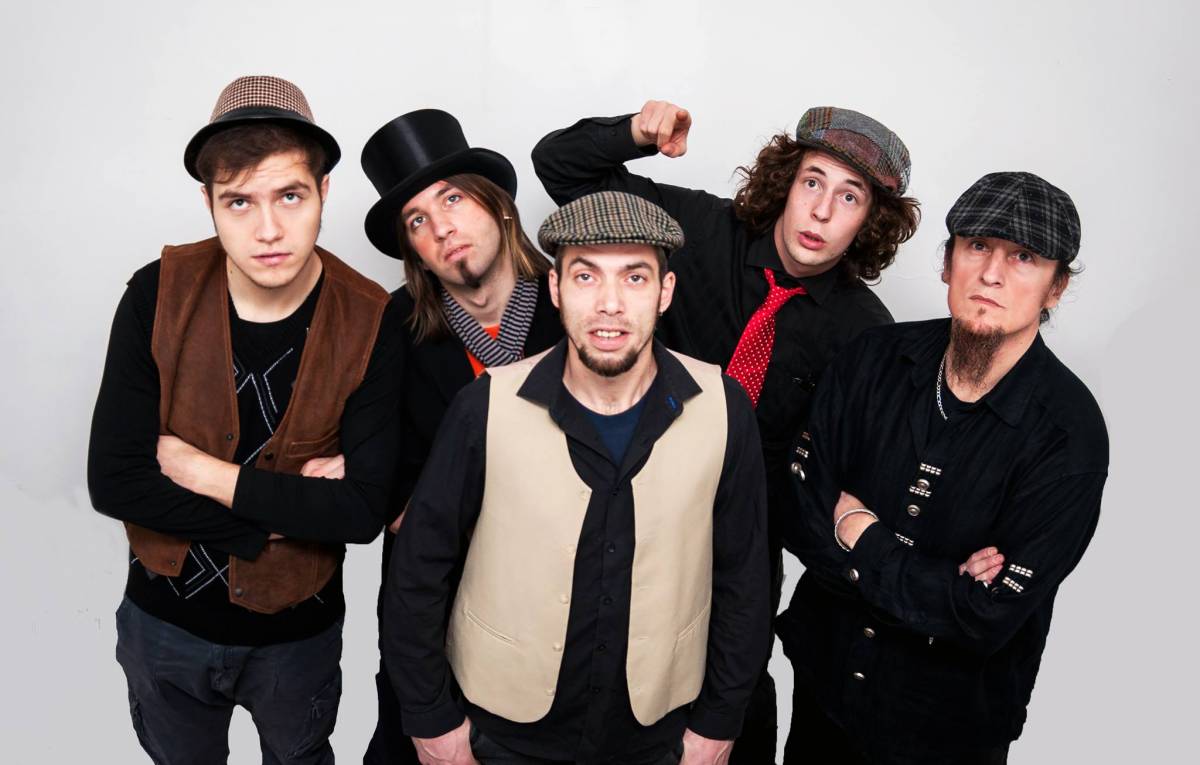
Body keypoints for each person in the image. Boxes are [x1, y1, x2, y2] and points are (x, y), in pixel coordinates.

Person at [531, 101, 919, 761]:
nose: (822, 211)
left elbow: (837, 474)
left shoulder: (864, 333)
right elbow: (559, 169)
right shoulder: (703, 230)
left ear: (868, 221)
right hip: (621, 515)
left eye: (849, 196)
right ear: (786, 182)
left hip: (742, 550)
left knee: (730, 713)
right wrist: (637, 131)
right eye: (813, 182)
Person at [384, 191, 770, 765]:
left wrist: (719, 721)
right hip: (502, 733)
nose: (610, 304)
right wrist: (431, 720)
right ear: (557, 289)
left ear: (665, 291)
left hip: (658, 734)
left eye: (635, 278)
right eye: (586, 277)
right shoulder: (483, 406)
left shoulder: (724, 406)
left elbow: (745, 579)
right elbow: (417, 574)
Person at [87, 75, 403, 765]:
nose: (268, 231)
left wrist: (199, 471)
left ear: (324, 191)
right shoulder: (155, 294)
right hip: (163, 625)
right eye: (239, 201)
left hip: (296, 637)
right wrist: (281, 518)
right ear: (208, 203)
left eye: (290, 195)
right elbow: (114, 482)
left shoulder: (374, 319)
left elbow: (360, 513)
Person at [779, 172, 1108, 764]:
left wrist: (861, 534)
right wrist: (941, 586)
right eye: (977, 246)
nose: (991, 274)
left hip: (949, 730)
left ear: (1056, 288)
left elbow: (987, 615)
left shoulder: (1070, 436)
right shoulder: (871, 359)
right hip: (823, 695)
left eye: (1024, 257)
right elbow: (801, 514)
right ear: (947, 262)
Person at [358, 109, 564, 765]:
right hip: (437, 624)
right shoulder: (395, 327)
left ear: (497, 205)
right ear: (413, 250)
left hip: (559, 625)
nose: (441, 227)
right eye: (417, 220)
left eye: (452, 199)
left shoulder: (577, 304)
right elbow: (385, 495)